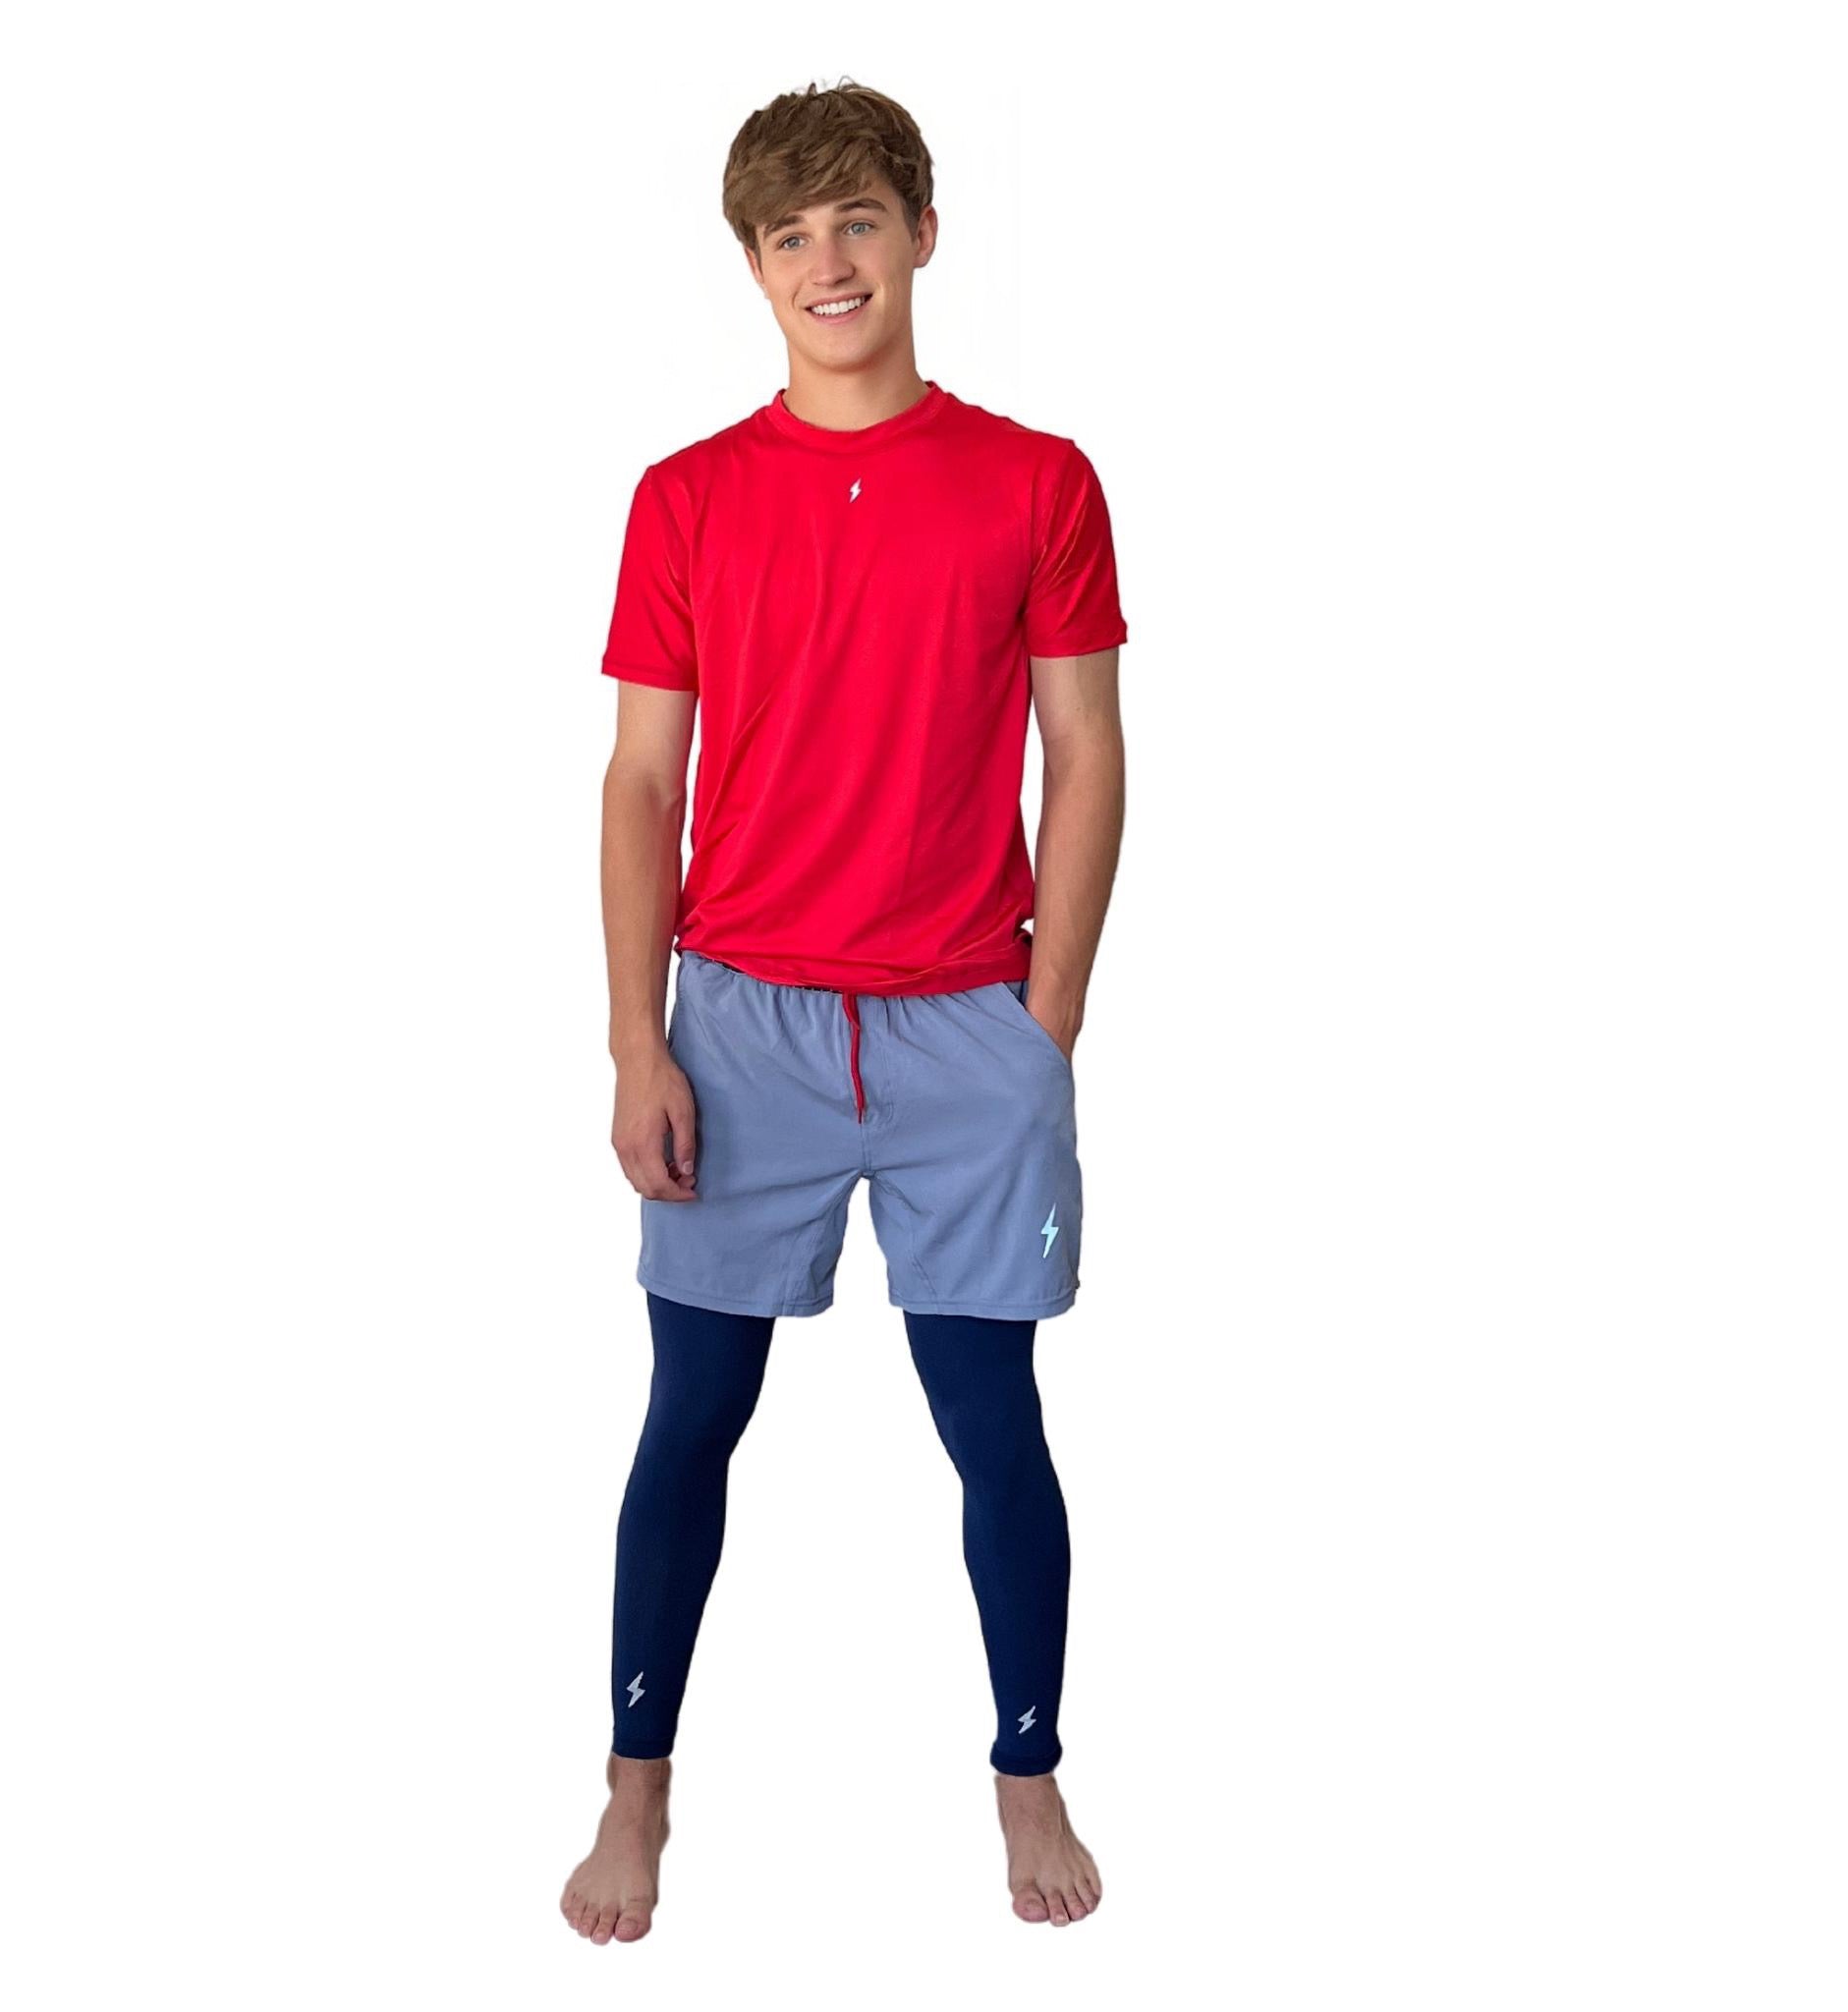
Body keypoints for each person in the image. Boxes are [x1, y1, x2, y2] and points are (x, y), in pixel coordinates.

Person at [562, 79, 1127, 1943]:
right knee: (691, 1416)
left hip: (970, 1026)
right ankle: (635, 1790)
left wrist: (1045, 1020)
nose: (830, 262)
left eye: (860, 221)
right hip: (743, 1028)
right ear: (752, 265)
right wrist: (638, 1040)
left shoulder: (1037, 480)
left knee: (994, 1418)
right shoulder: (687, 497)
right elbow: (643, 780)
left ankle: (1027, 1769)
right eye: (791, 234)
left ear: (922, 236)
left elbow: (1085, 747)